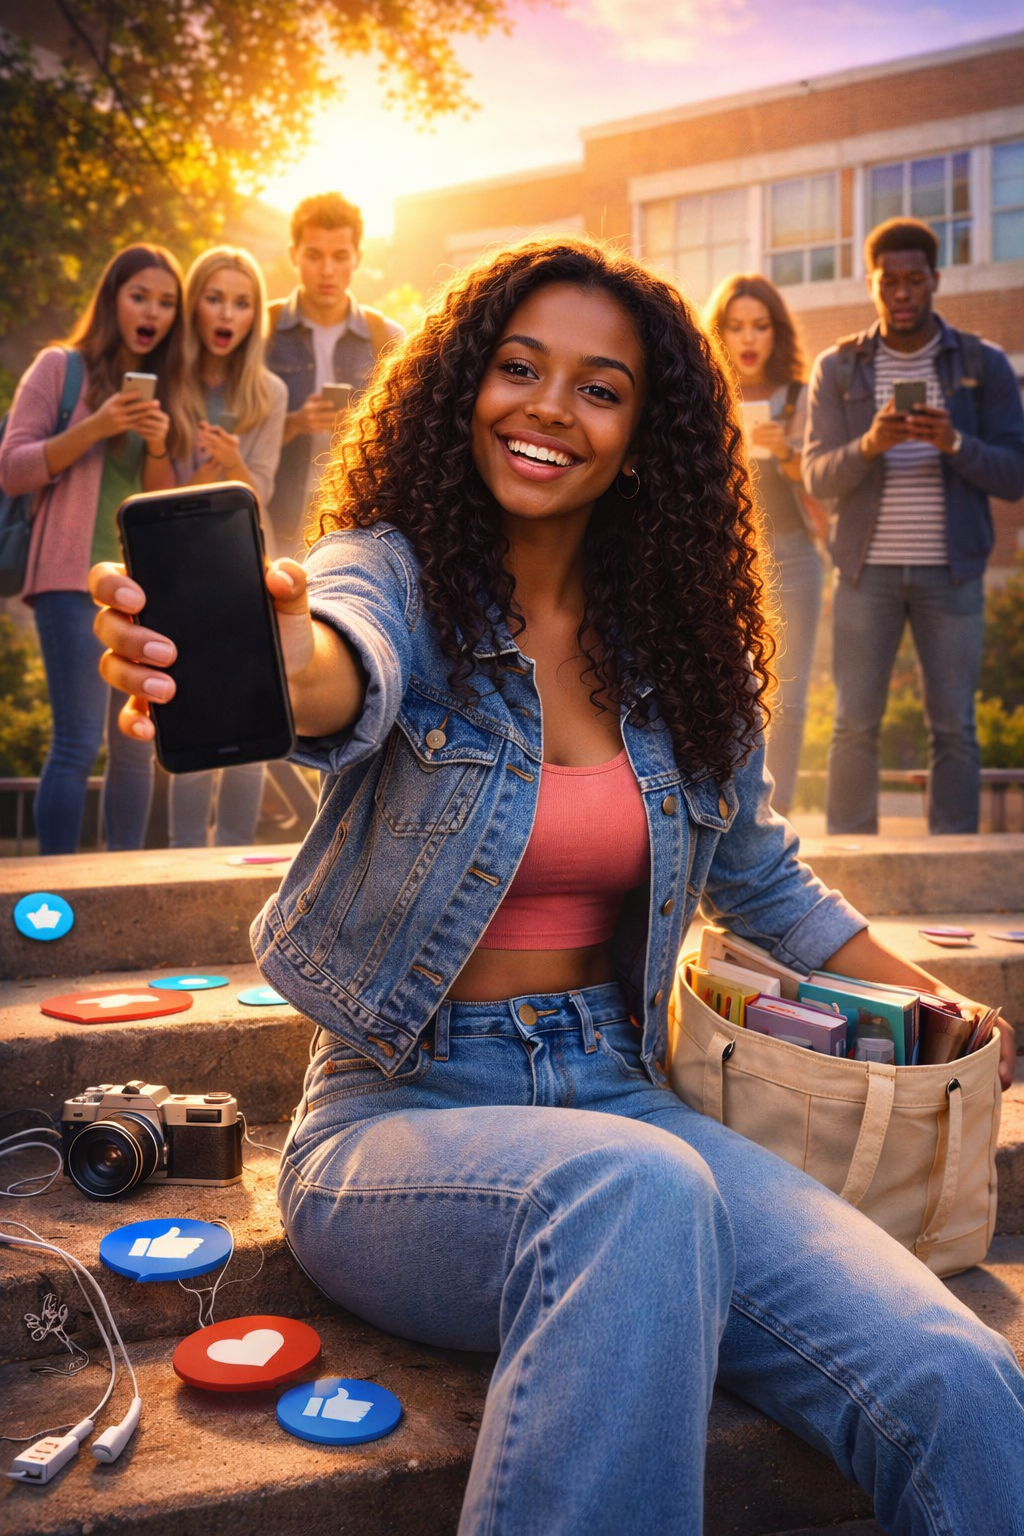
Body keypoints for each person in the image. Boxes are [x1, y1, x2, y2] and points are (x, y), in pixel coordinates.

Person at [90, 238, 1023, 1536]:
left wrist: (954, 1019)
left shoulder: (685, 651)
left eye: (599, 387)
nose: (546, 405)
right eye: (518, 367)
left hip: (632, 1104)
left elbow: (762, 877)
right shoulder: (396, 576)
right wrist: (255, 646)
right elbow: (334, 666)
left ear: (645, 437)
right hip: (402, 1116)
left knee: (965, 1383)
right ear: (462, 387)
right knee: (634, 1199)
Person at [803, 217, 1024, 835]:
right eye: (888, 281)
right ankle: (851, 869)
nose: (901, 293)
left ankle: (952, 862)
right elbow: (818, 476)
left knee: (954, 725)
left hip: (951, 574)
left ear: (935, 280)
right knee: (853, 723)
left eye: (914, 280)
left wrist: (954, 441)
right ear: (872, 283)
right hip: (864, 572)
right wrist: (872, 443)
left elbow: (1014, 475)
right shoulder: (840, 368)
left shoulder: (984, 364)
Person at [0, 244, 187, 855]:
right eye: (140, 296)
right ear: (112, 300)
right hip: (69, 582)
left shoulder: (167, 388)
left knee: (135, 745)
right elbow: (13, 467)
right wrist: (96, 427)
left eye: (165, 302)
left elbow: (165, 506)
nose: (152, 312)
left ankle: (122, 882)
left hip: (140, 589)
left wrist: (158, 446)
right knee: (78, 742)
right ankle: (54, 887)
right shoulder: (60, 368)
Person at [169, 245, 288, 848]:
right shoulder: (166, 384)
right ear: (195, 306)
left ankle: (235, 861)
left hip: (239, 567)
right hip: (173, 571)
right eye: (215, 298)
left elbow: (259, 497)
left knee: (247, 709)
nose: (227, 313)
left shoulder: (268, 392)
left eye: (241, 303)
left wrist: (236, 464)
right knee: (187, 713)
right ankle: (182, 860)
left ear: (253, 316)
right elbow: (151, 491)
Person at [705, 274, 824, 816]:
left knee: (789, 696)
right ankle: (724, 816)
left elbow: (826, 491)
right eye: (737, 326)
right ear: (720, 332)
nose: (749, 339)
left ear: (777, 333)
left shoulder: (802, 397)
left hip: (793, 558)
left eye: (760, 326)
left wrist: (788, 454)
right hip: (717, 558)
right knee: (720, 691)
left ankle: (782, 822)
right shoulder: (702, 393)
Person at [265, 192, 402, 558]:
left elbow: (409, 444)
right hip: (275, 526)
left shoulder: (387, 337)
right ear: (294, 254)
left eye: (340, 256)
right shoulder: (261, 330)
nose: (327, 270)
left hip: (355, 529)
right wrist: (292, 424)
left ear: (357, 257)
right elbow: (229, 431)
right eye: (314, 255)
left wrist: (362, 430)